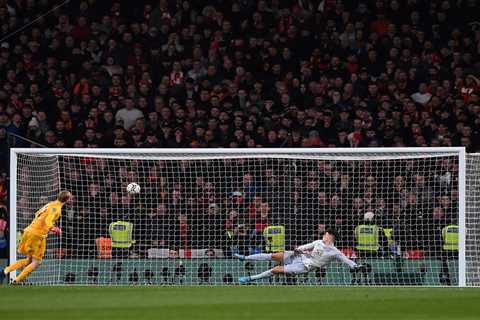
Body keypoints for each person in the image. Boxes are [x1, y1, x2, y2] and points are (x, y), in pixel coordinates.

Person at [235, 229, 365, 284]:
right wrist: (298, 249)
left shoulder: (334, 251)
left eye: (325, 234)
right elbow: (307, 246)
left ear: (331, 237)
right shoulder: (318, 242)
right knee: (274, 256)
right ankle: (245, 258)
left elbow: (346, 260)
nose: (323, 236)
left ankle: (249, 278)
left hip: (304, 266)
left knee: (275, 270)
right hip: (299, 256)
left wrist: (355, 266)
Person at [3, 191, 72, 284]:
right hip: (36, 235)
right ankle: (15, 279)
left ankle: (8, 272)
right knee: (36, 262)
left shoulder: (50, 203)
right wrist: (54, 228)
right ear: (67, 200)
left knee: (29, 260)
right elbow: (48, 220)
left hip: (32, 231)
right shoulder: (57, 208)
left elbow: (37, 213)